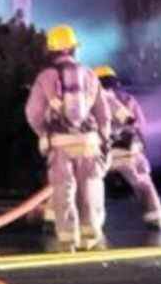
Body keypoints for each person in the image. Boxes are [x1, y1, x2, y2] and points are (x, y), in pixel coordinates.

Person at [26, 25, 112, 252]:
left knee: (64, 190)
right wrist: (104, 140)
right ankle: (91, 236)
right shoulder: (91, 75)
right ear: (73, 49)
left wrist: (44, 134)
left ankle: (68, 239)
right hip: (89, 144)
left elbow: (33, 112)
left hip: (60, 145)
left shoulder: (45, 77)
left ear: (51, 51)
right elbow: (104, 114)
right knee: (91, 188)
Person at [94, 65, 161, 230]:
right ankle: (155, 217)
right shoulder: (127, 99)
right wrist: (140, 146)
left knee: (91, 185)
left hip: (102, 152)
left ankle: (92, 222)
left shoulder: (93, 100)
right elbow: (140, 125)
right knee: (142, 182)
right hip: (129, 151)